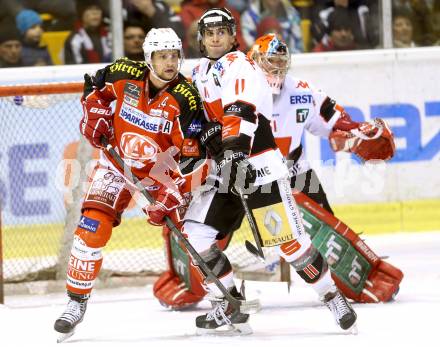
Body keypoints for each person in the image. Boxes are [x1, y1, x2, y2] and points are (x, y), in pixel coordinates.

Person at [153, 33, 401, 314]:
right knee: (205, 236)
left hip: (293, 172)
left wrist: (358, 129)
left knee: (320, 237)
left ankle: (338, 289)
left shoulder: (303, 92)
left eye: (281, 62)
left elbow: (337, 122)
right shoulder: (229, 81)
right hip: (235, 172)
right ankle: (198, 287)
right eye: (270, 61)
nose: (276, 68)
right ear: (256, 60)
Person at [181, 7, 357, 335]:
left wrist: (232, 150)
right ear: (202, 41)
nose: (216, 36)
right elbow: (199, 115)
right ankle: (228, 300)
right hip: (225, 169)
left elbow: (241, 111)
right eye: (209, 32)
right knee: (194, 235)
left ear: (234, 36)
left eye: (222, 31)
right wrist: (201, 134)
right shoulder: (200, 71)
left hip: (257, 165)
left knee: (289, 244)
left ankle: (332, 295)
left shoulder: (241, 67)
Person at [53, 27, 207, 342]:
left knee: (196, 233)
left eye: (175, 55)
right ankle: (75, 303)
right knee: (92, 228)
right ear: (149, 58)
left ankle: (221, 292)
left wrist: (169, 196)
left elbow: (193, 156)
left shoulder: (186, 97)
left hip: (162, 173)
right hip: (116, 164)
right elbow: (94, 89)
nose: (170, 62)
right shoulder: (123, 72)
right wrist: (94, 115)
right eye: (163, 56)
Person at [63, 0, 112, 64]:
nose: (95, 13)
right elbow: (73, 67)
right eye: (90, 9)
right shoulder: (74, 39)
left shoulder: (109, 35)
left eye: (98, 9)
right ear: (82, 14)